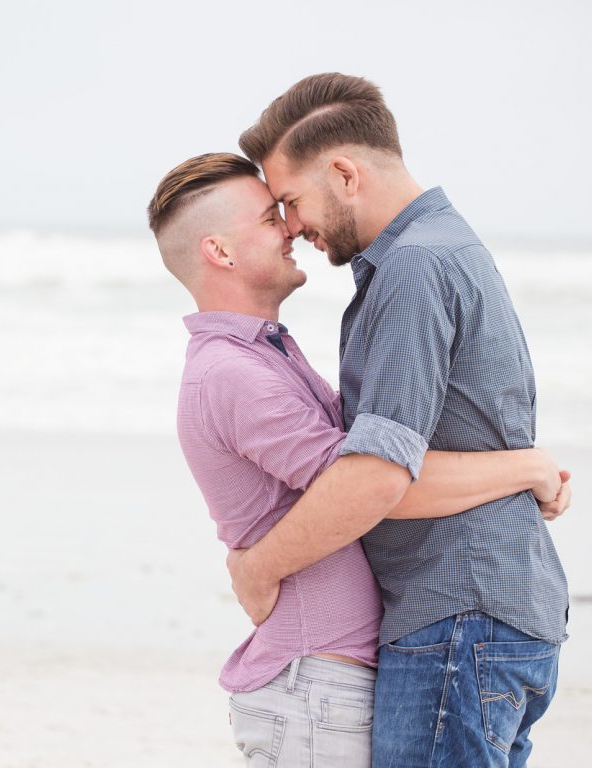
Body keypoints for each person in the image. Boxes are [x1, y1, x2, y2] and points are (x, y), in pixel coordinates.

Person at [146, 152, 569, 767]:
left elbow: (379, 469)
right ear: (221, 251)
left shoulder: (265, 358)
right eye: (270, 217)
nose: (291, 227)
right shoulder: (233, 375)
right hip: (316, 682)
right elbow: (375, 484)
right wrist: (527, 468)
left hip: (327, 680)